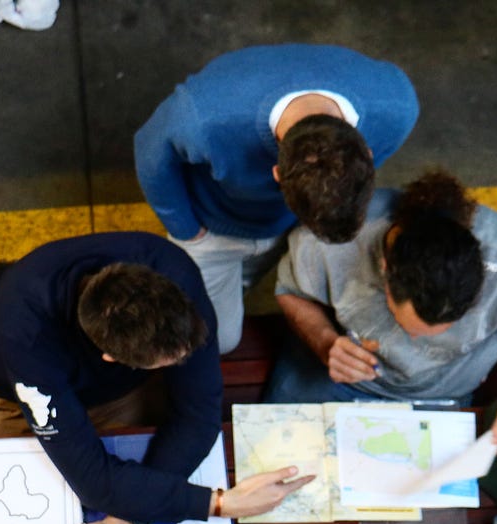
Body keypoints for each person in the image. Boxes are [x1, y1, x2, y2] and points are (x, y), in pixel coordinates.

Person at [0, 232, 313, 524]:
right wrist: (221, 503)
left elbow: (198, 416)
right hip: (12, 394)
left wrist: (127, 522)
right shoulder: (25, 323)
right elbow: (95, 483)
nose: (186, 362)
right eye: (169, 363)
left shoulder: (173, 271)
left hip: (118, 391)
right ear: (113, 358)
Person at [267, 169, 497, 453]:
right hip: (334, 378)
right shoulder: (331, 240)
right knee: (275, 460)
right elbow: (291, 292)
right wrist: (325, 342)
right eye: (407, 326)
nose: (414, 343)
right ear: (385, 269)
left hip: (442, 394)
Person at [135, 44, 419, 354]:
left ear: (367, 153)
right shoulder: (202, 119)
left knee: (235, 296)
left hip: (286, 225)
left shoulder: (397, 107)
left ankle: (239, 285)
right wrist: (186, 230)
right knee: (215, 340)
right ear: (277, 175)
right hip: (214, 227)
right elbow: (150, 153)